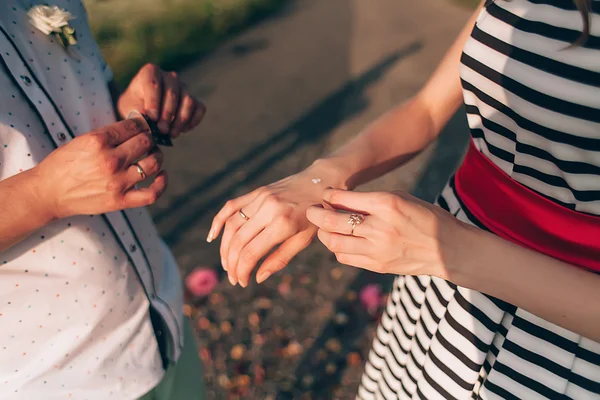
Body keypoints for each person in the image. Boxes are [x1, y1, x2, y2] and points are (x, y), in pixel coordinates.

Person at [210, 0, 600, 398]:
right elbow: (427, 111)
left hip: (565, 346)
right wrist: (321, 178)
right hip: (438, 295)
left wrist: (454, 250)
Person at [0, 1, 206, 399]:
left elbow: (82, 108)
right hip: (55, 379)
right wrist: (44, 193)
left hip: (160, 316)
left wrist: (135, 108)